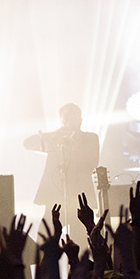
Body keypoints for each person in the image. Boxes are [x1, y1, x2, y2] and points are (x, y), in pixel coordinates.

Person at [24, 103, 99, 244]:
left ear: (80, 120)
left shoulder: (91, 138)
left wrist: (74, 145)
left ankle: (80, 265)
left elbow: (92, 163)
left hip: (79, 199)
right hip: (55, 198)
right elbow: (27, 144)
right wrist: (55, 134)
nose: (68, 123)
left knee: (81, 243)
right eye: (65, 120)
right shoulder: (55, 139)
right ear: (61, 121)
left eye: (72, 119)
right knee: (44, 240)